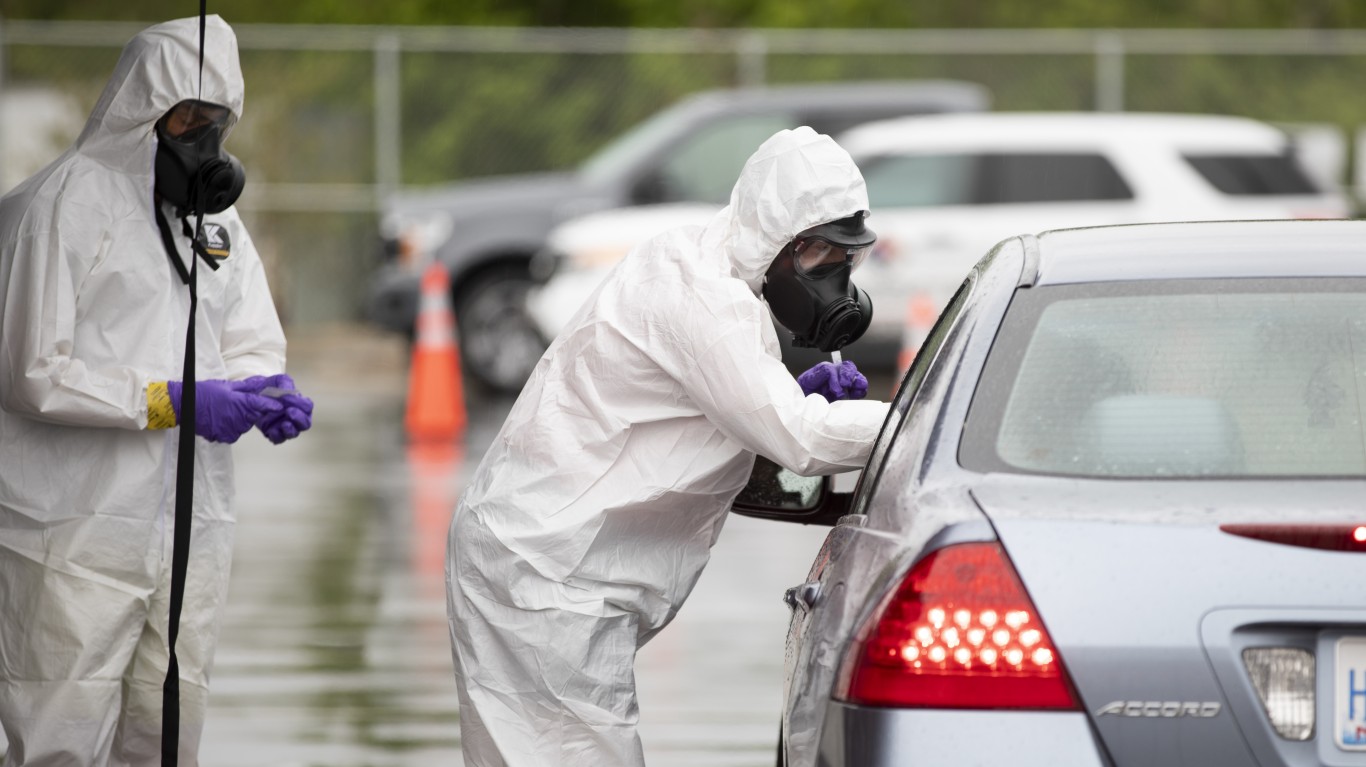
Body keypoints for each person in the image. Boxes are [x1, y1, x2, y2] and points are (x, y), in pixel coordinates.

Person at [445, 126, 890, 765]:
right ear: (776, 235)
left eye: (845, 257)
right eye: (820, 254)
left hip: (549, 566)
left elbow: (714, 422)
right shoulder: (703, 297)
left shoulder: (713, 274)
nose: (836, 276)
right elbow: (801, 439)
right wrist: (920, 418)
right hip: (544, 574)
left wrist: (792, 394)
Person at [0, 16, 312, 765]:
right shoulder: (63, 206)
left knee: (167, 731)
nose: (204, 139)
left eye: (218, 121)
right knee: (58, 735)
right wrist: (174, 400)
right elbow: (31, 370)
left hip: (189, 524)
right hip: (72, 529)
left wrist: (261, 388)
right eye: (187, 119)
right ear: (141, 108)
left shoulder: (215, 221)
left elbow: (248, 336)